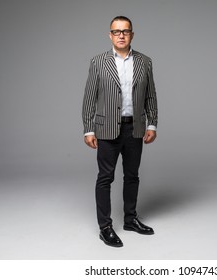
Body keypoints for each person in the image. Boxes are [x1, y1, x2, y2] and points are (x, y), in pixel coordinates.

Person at [82, 16, 158, 247]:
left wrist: (152, 123)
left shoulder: (145, 61)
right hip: (106, 129)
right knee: (105, 178)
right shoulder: (98, 62)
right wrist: (88, 129)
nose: (121, 35)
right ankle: (105, 227)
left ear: (132, 34)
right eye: (116, 31)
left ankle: (130, 219)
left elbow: (150, 95)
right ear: (110, 35)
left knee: (132, 176)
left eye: (125, 31)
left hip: (135, 128)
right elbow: (89, 97)